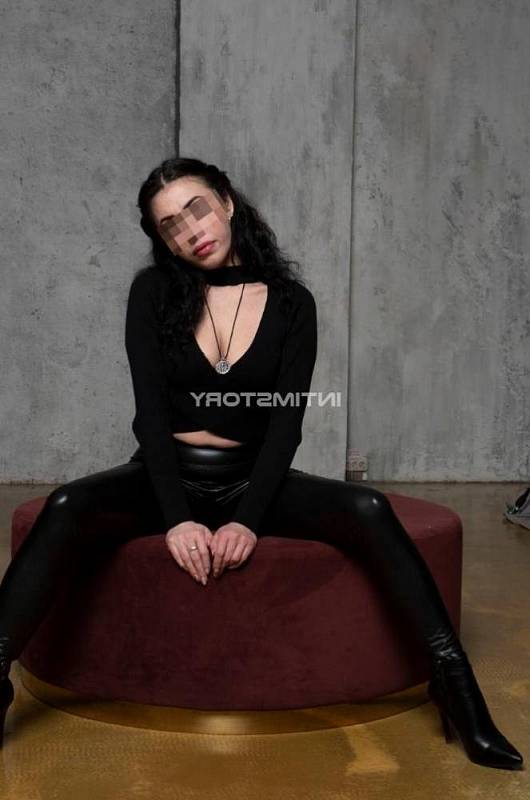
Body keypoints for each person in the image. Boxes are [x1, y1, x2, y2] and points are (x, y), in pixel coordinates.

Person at [0, 157, 523, 770]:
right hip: (165, 473)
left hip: (252, 477)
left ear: (225, 201)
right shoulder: (154, 293)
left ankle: (455, 686)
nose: (189, 231)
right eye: (169, 226)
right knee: (66, 504)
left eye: (196, 209)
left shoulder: (293, 303)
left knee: (368, 506)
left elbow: (285, 425)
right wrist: (177, 517)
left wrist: (247, 519)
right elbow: (150, 416)